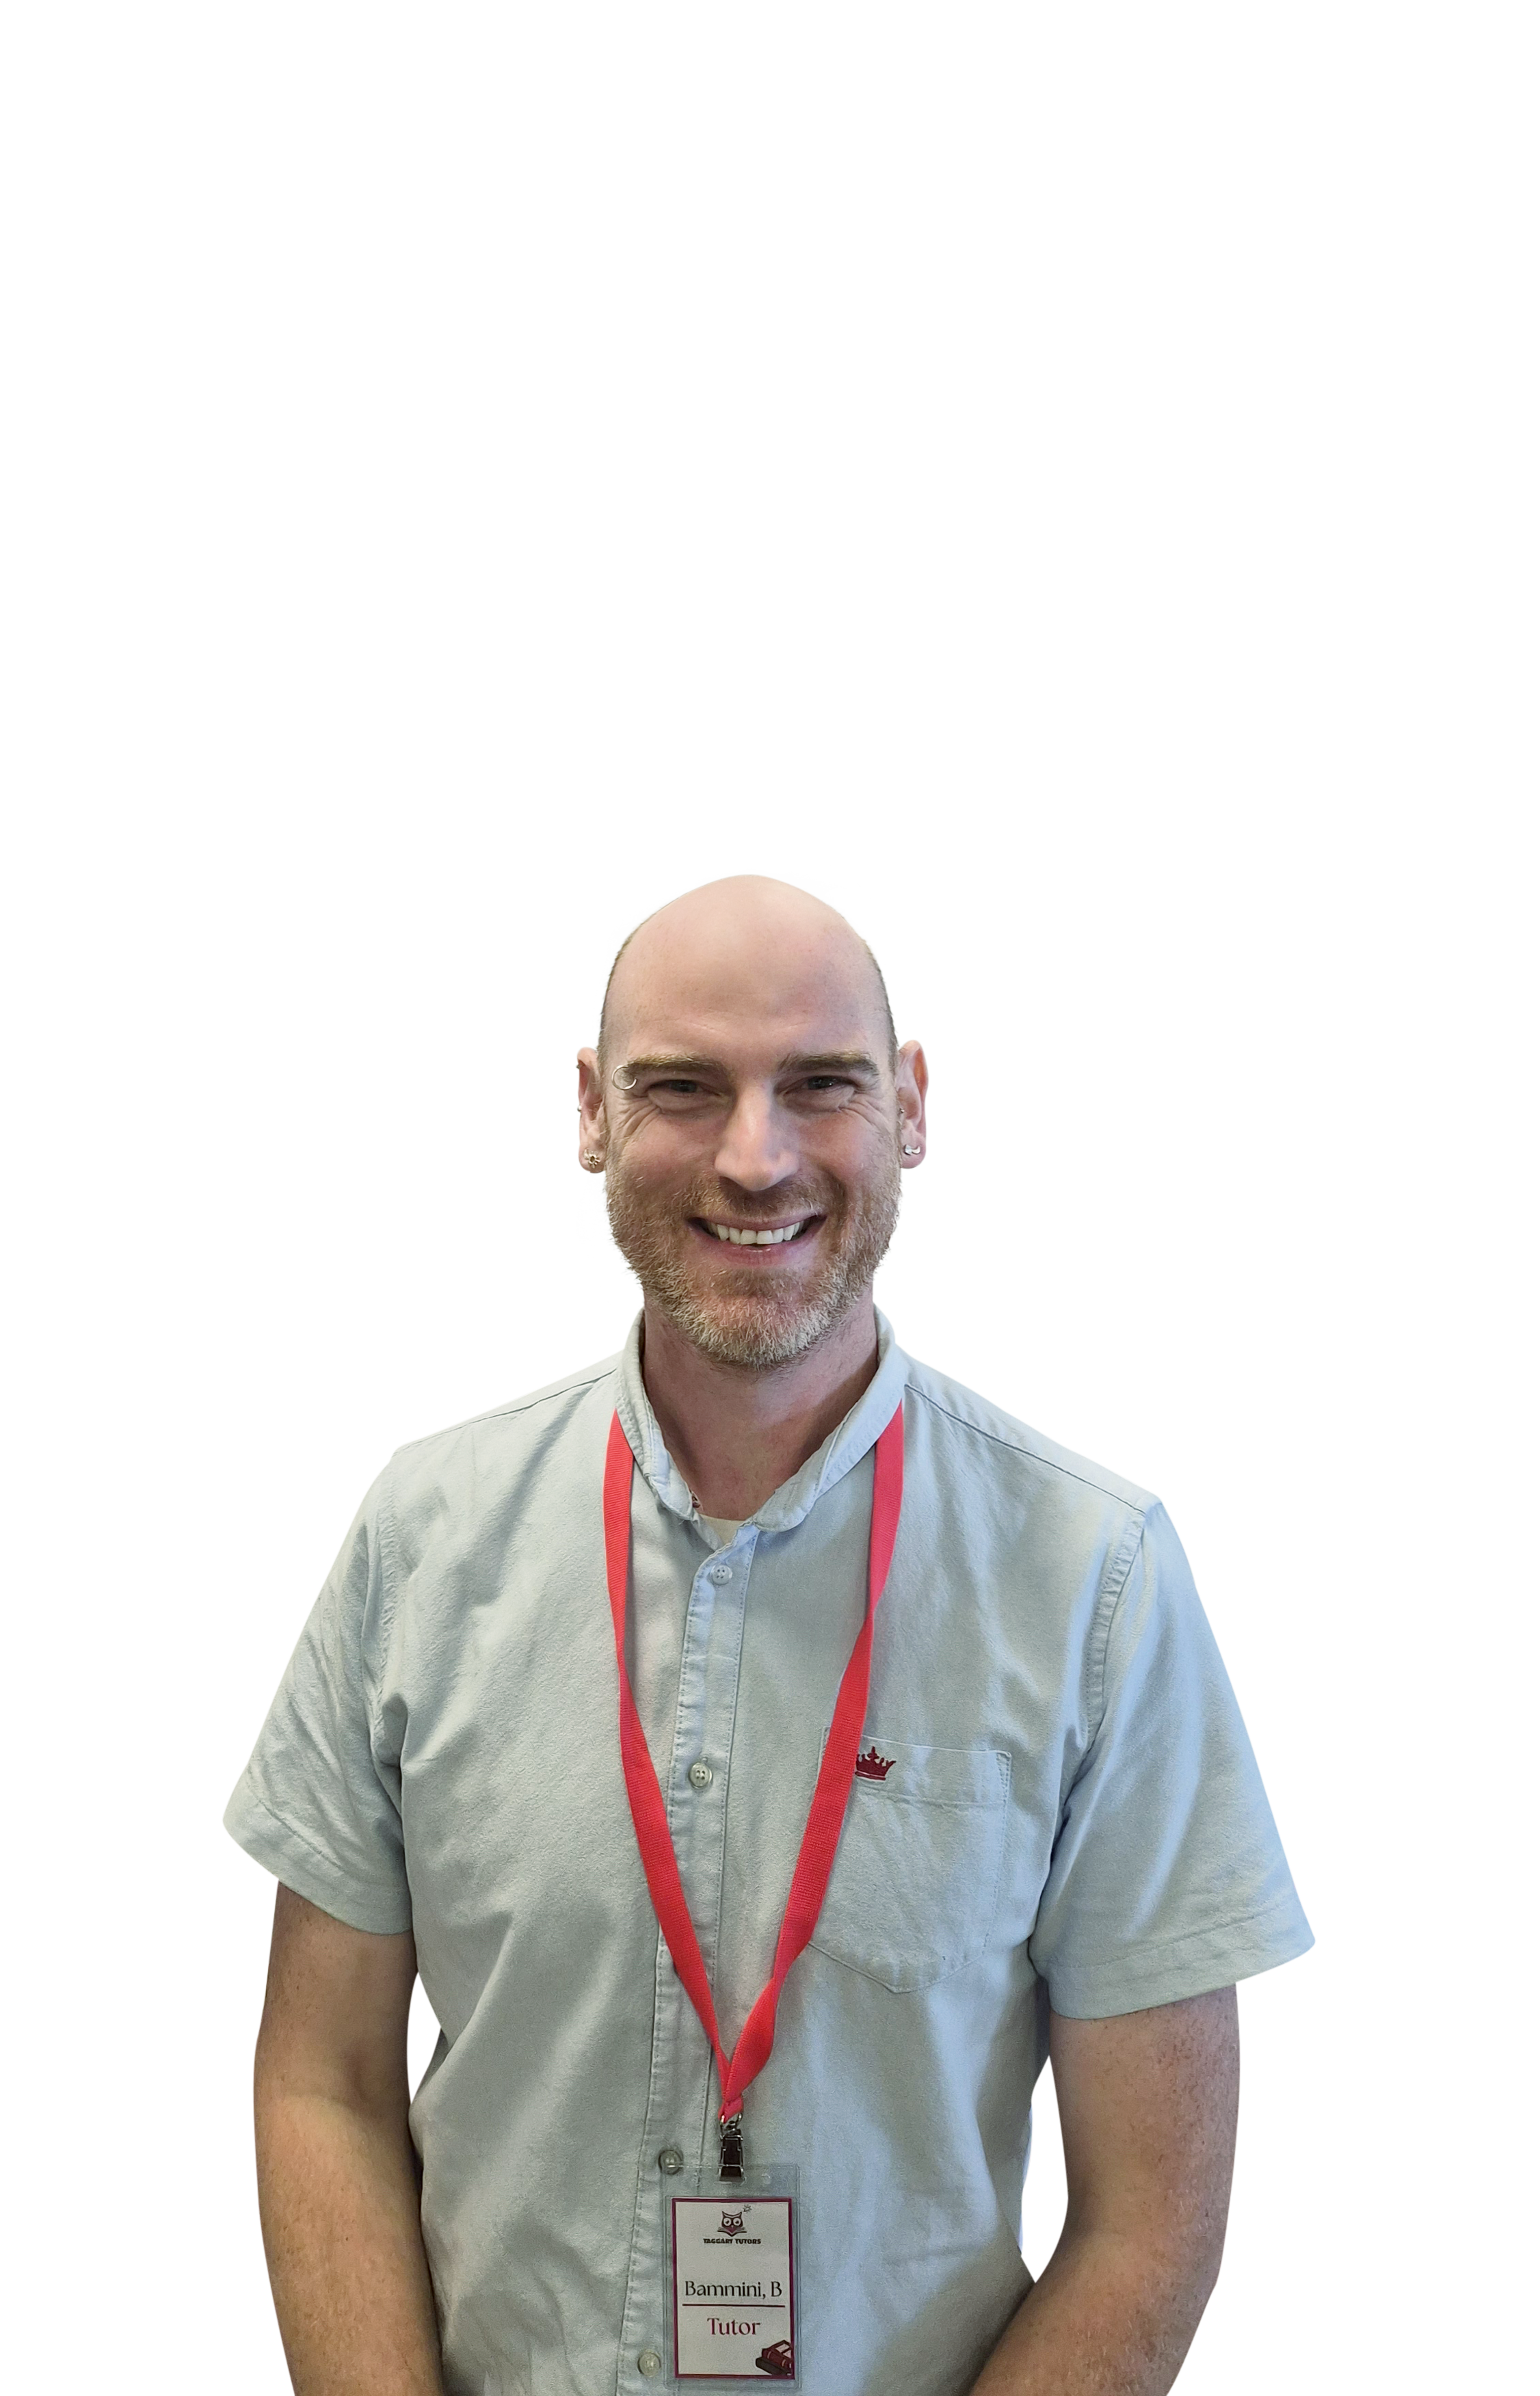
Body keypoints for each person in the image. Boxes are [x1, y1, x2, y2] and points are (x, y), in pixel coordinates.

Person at [228, 869, 1314, 2396]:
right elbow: (322, 2083)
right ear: (594, 1112)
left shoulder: (1097, 1578)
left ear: (912, 1105)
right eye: (686, 1087)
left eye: (821, 1084)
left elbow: (1148, 2213)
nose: (756, 1156)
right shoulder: (421, 1533)